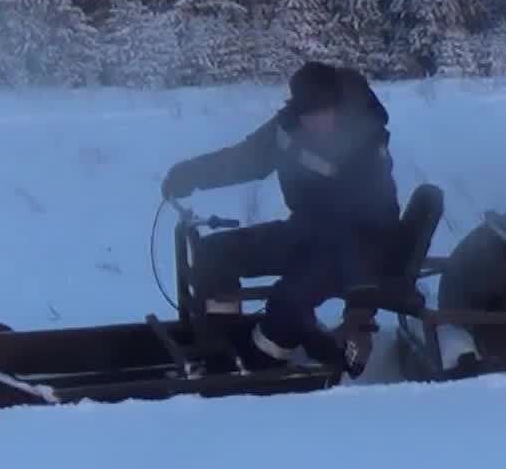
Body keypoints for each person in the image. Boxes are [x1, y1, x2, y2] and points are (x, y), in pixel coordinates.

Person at [159, 60, 401, 369]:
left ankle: (267, 367)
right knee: (214, 253)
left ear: (338, 107)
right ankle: (222, 347)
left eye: (322, 112)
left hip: (357, 245)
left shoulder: (366, 144)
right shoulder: (288, 129)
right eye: (307, 114)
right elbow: (244, 158)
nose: (314, 122)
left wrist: (360, 310)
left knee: (287, 304)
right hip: (305, 231)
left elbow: (375, 225)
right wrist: (190, 175)